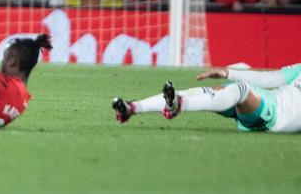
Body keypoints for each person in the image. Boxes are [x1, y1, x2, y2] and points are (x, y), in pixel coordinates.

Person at [112, 65, 301, 134]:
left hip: (274, 115)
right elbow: (269, 79)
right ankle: (133, 107)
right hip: (266, 100)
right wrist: (227, 72)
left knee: (242, 89)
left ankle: (179, 105)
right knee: (205, 91)